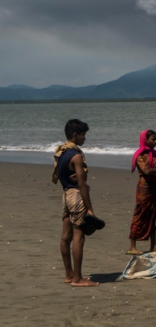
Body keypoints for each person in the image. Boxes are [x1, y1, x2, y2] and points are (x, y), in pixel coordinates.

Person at [55, 119, 99, 287]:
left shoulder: (61, 153)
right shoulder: (76, 156)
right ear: (75, 135)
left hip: (65, 194)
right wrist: (89, 208)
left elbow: (61, 175)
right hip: (76, 195)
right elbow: (81, 184)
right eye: (83, 135)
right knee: (78, 237)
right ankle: (78, 278)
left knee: (65, 236)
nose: (84, 139)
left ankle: (69, 274)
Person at [128, 129, 156, 254]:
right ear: (145, 139)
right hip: (144, 188)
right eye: (152, 139)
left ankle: (153, 244)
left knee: (153, 214)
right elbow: (146, 171)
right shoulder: (140, 155)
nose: (155, 142)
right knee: (140, 213)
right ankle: (132, 245)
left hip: (154, 187)